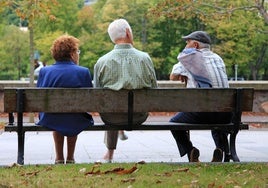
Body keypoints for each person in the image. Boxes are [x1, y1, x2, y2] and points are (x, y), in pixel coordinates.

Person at [94, 18, 157, 162]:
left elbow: (97, 95)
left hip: (111, 118)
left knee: (111, 109)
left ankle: (109, 154)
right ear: (128, 32)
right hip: (139, 116)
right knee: (115, 108)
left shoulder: (102, 61)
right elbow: (155, 90)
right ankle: (115, 141)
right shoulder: (145, 58)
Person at [169, 31, 232, 162]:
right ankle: (220, 149)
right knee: (217, 114)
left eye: (188, 43)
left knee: (174, 123)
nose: (186, 46)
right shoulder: (218, 59)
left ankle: (190, 150)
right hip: (226, 113)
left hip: (203, 113)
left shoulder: (190, 58)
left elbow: (172, 76)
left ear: (195, 45)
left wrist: (184, 73)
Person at [36, 35, 94, 164]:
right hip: (76, 118)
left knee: (58, 116)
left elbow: (39, 95)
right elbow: (89, 99)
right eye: (77, 51)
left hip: (50, 118)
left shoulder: (45, 71)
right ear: (72, 54)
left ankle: (59, 157)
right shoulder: (83, 72)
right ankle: (70, 158)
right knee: (73, 115)